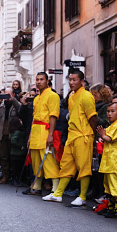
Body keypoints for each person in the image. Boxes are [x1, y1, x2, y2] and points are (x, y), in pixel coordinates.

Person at [43, 70, 97, 206]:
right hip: (72, 135)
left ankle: (82, 196)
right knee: (66, 165)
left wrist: (95, 136)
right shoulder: (72, 96)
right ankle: (58, 193)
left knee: (84, 167)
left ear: (82, 81)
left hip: (83, 135)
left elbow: (93, 118)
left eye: (74, 80)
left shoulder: (86, 95)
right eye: (70, 79)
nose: (71, 82)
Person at [24, 72, 61, 196]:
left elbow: (53, 116)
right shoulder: (36, 98)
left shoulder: (53, 95)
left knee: (49, 160)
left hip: (45, 131)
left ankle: (55, 189)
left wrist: (50, 135)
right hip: (35, 131)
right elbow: (34, 119)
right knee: (36, 160)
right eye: (37, 80)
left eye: (41, 79)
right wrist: (30, 136)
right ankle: (37, 186)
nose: (39, 82)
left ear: (47, 81)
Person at [96, 102, 117, 218]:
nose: (109, 114)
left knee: (116, 185)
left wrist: (103, 135)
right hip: (109, 161)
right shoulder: (112, 125)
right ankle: (111, 207)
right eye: (108, 111)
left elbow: (109, 138)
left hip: (114, 161)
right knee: (109, 185)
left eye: (113, 111)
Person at [0, 87, 21, 184]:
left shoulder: (15, 104)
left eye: (9, 94)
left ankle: (14, 177)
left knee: (13, 158)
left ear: (13, 95)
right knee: (3, 157)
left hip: (13, 135)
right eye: (5, 94)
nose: (7, 97)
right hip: (2, 134)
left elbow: (21, 110)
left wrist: (13, 100)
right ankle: (5, 176)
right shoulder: (0, 104)